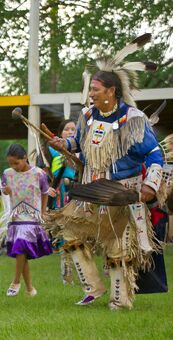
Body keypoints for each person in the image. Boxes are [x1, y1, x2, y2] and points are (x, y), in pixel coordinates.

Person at [49, 33, 163, 310]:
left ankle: (120, 299)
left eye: (96, 90)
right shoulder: (88, 116)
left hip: (122, 191)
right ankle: (93, 286)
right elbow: (79, 143)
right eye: (91, 91)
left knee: (117, 245)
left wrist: (151, 184)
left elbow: (154, 153)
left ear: (111, 91)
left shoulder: (134, 119)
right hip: (90, 188)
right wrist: (64, 143)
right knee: (70, 231)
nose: (91, 94)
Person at [2, 144, 53, 297]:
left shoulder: (38, 174)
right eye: (10, 163)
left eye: (16, 163)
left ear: (25, 158)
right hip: (17, 216)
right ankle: (30, 289)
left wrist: (43, 212)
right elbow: (5, 189)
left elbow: (45, 193)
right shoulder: (7, 173)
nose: (13, 166)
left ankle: (15, 281)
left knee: (21, 244)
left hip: (32, 216)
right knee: (21, 251)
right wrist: (6, 191)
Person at [46, 119, 77, 285]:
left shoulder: (82, 151)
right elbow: (45, 173)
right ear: (60, 133)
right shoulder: (52, 149)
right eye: (67, 129)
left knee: (80, 236)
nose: (71, 131)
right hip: (60, 196)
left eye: (73, 129)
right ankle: (66, 274)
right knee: (65, 236)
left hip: (79, 194)